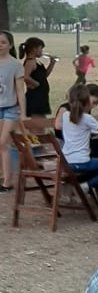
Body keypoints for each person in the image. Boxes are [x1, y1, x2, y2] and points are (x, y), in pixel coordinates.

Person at [61, 83, 98, 194]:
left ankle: (84, 186)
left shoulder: (66, 115)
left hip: (66, 161)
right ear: (87, 102)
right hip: (82, 162)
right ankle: (86, 186)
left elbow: (79, 128)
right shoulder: (87, 118)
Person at [0, 30, 25, 191]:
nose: (0, 45)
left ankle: (8, 182)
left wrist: (23, 112)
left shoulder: (15, 65)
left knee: (3, 143)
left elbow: (20, 90)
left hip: (11, 108)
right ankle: (3, 175)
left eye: (3, 42)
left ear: (10, 45)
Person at [19, 37, 57, 124]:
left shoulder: (36, 62)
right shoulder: (30, 62)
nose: (42, 51)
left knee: (41, 121)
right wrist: (36, 83)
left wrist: (52, 63)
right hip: (35, 97)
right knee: (38, 123)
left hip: (41, 96)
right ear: (34, 49)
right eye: (41, 49)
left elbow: (44, 75)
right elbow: (25, 76)